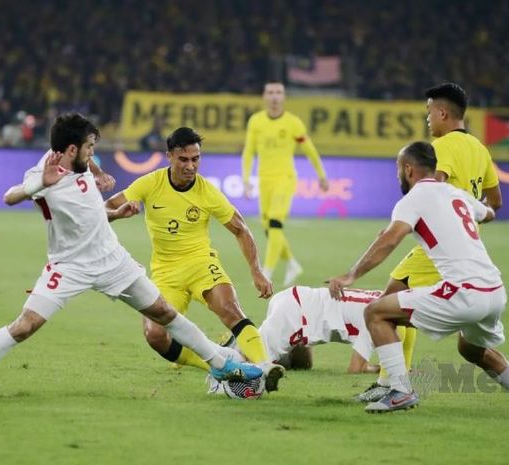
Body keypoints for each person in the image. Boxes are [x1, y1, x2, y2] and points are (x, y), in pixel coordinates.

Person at [0, 113, 262, 400]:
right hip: (69, 266)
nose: (94, 153)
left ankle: (222, 363)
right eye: (90, 148)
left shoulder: (80, 162)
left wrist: (109, 198)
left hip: (111, 259)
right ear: (71, 149)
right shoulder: (45, 173)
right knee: (24, 326)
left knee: (164, 312)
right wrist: (38, 183)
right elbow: (9, 196)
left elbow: (90, 214)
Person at [327, 141, 509, 414]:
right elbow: (489, 212)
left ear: (408, 169)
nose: (398, 174)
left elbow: (390, 240)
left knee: (376, 312)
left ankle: (399, 390)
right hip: (494, 291)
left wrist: (351, 275)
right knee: (470, 348)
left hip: (464, 293)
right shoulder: (457, 194)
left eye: (398, 169)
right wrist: (482, 210)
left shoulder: (413, 199)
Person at [105, 127, 285, 392]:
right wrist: (119, 213)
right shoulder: (150, 183)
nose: (191, 166)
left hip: (201, 263)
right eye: (184, 159)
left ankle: (265, 366)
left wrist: (256, 271)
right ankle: (218, 365)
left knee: (230, 310)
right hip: (166, 272)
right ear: (169, 156)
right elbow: (105, 209)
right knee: (155, 335)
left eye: (195, 159)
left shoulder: (207, 192)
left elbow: (240, 229)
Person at [358, 82, 505, 403]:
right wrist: (470, 212)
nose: (427, 120)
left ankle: (394, 385)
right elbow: (496, 201)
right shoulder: (480, 149)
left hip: (436, 248)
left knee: (389, 308)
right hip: (462, 246)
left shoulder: (444, 147)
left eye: (428, 113)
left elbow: (431, 189)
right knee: (395, 301)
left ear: (442, 112)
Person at [241, 81, 329, 287]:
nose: (274, 97)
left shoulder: (293, 123)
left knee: (274, 223)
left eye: (278, 93)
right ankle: (291, 263)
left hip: (285, 178)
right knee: (269, 229)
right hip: (265, 180)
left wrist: (321, 175)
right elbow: (248, 151)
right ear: (264, 96)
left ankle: (267, 272)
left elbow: (310, 150)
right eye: (270, 92)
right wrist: (246, 179)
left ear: (284, 97)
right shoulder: (256, 121)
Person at [221, 285, 382, 373]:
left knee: (302, 365)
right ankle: (225, 349)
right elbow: (355, 369)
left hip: (298, 299)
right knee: (250, 365)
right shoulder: (378, 319)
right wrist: (379, 369)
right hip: (296, 314)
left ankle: (251, 340)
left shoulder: (384, 298)